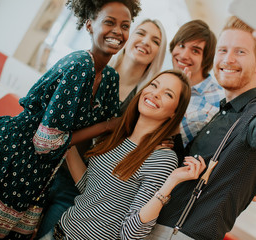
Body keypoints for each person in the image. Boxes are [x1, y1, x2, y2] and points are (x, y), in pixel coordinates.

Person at [146, 8, 256, 240]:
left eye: (240, 52)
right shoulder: (222, 112)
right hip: (156, 222)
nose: (228, 59)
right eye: (223, 50)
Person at [0, 0, 141, 239]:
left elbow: (113, 131)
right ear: (90, 25)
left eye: (125, 26)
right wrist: (107, 125)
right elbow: (45, 142)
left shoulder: (110, 78)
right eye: (109, 22)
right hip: (13, 155)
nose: (118, 31)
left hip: (41, 172)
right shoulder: (80, 65)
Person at [35, 17, 167, 239]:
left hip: (77, 184)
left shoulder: (145, 102)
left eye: (155, 40)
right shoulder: (92, 69)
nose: (146, 41)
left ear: (158, 53)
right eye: (141, 33)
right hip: (43, 165)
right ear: (127, 37)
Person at [40, 69, 206, 240]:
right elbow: (89, 189)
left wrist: (171, 182)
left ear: (175, 113)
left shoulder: (163, 158)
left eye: (168, 94)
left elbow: (131, 233)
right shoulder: (119, 136)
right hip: (59, 231)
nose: (155, 94)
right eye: (154, 85)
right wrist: (67, 141)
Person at [168, 19, 225, 147]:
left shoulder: (220, 100)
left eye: (195, 51)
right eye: (181, 45)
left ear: (206, 59)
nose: (183, 55)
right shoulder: (163, 82)